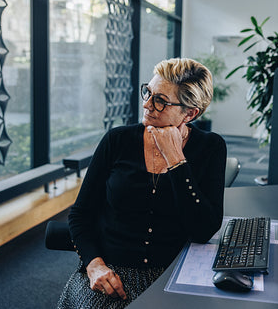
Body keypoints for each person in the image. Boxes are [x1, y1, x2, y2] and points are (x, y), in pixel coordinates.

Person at [57, 58, 227, 308]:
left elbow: (203, 230)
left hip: (175, 269)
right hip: (111, 269)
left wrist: (176, 161)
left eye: (161, 101)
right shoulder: (117, 140)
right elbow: (80, 214)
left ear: (190, 113)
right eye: (148, 92)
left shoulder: (211, 147)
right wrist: (94, 265)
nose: (147, 104)